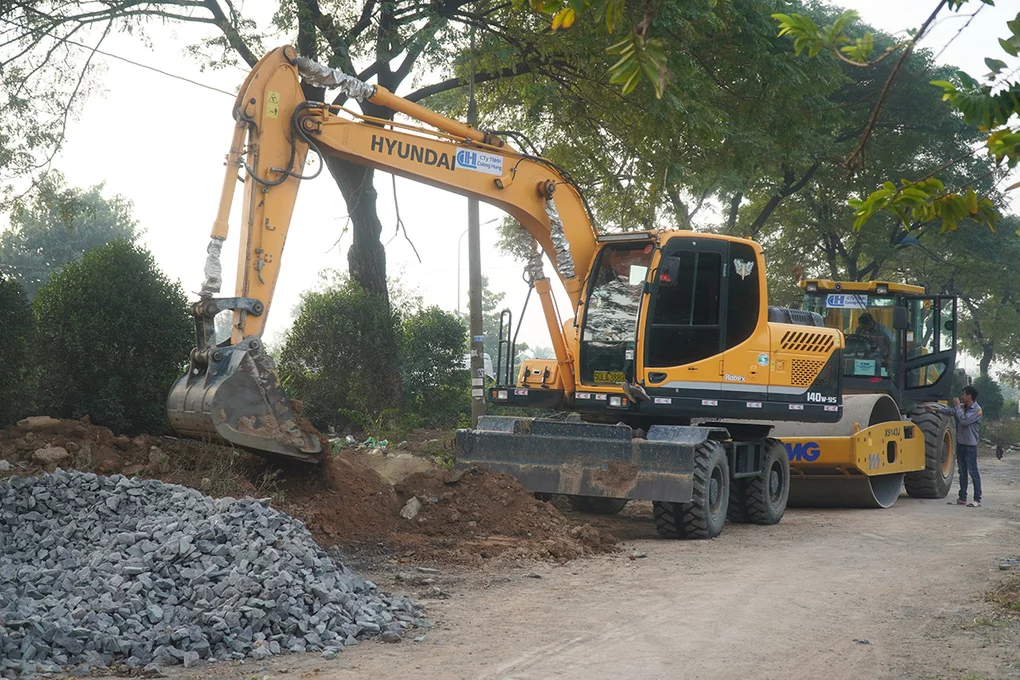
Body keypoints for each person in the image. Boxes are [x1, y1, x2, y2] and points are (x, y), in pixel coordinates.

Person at [929, 385, 983, 507]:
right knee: (962, 472)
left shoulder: (977, 410)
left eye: (963, 394)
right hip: (961, 444)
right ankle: (962, 498)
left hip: (970, 446)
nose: (962, 397)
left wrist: (957, 406)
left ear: (969, 396)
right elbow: (950, 412)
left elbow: (964, 420)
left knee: (973, 472)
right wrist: (934, 410)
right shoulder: (964, 407)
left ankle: (977, 499)